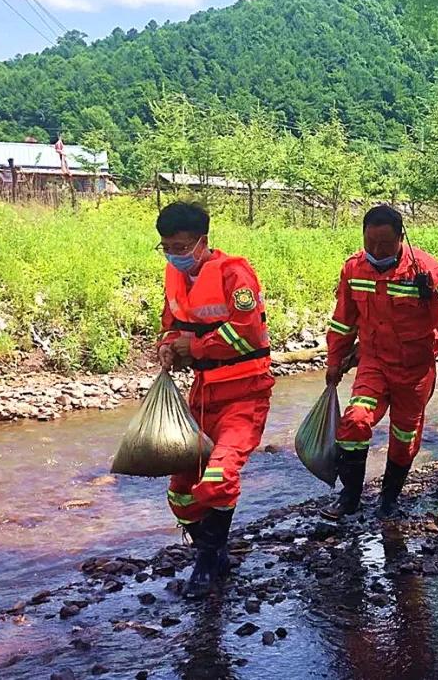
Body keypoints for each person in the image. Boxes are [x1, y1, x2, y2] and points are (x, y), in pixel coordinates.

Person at [156, 202, 274, 599]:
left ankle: (206, 561)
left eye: (180, 245)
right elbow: (171, 327)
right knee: (181, 489)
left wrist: (198, 347)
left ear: (202, 242)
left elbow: (249, 334)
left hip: (245, 392)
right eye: (167, 246)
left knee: (219, 476)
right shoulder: (175, 276)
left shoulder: (234, 274)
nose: (174, 253)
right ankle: (216, 551)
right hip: (202, 396)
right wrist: (169, 348)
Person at [325, 205, 438, 518]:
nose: (377, 250)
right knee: (355, 421)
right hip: (373, 363)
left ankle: (389, 499)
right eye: (371, 243)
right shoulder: (353, 268)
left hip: (415, 370)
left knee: (404, 439)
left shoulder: (425, 271)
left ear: (401, 238)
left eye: (385, 245)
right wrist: (335, 360)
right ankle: (349, 498)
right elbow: (342, 321)